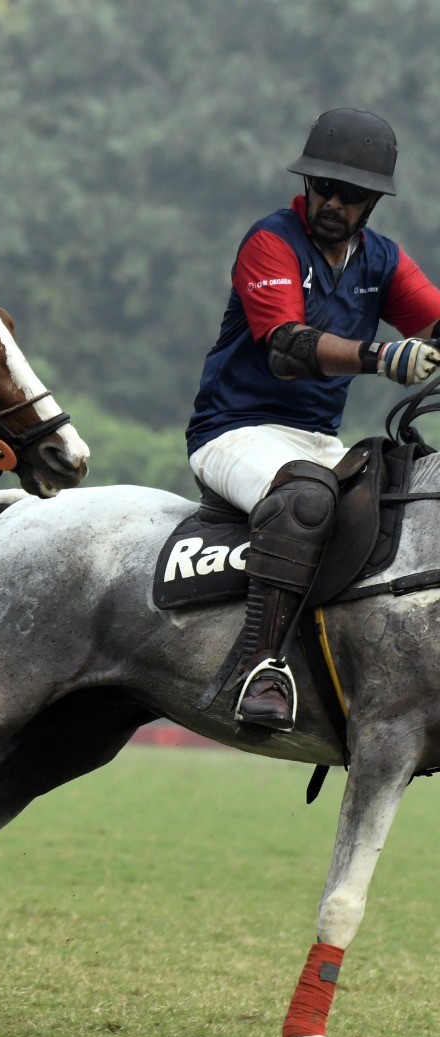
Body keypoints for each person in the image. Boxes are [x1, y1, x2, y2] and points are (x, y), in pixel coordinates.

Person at [185, 107, 440, 729]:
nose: (333, 202)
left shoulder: (380, 260)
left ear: (372, 201)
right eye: (323, 187)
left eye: (350, 195)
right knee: (305, 499)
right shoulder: (271, 241)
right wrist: (381, 355)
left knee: (404, 497)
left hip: (318, 440)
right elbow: (287, 349)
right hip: (234, 431)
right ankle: (261, 669)